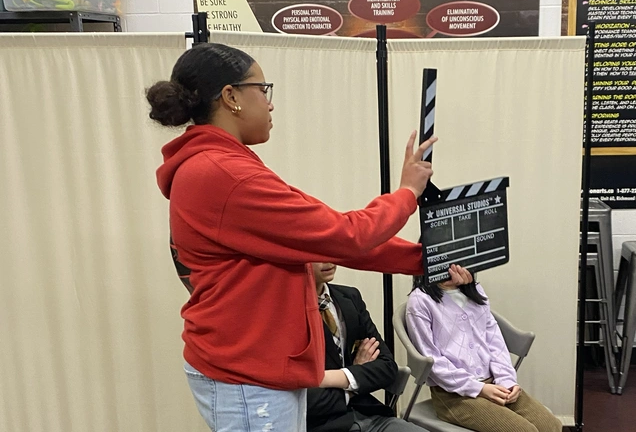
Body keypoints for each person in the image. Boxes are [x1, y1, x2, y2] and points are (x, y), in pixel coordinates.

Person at [146, 43, 440, 432]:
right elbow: (346, 235)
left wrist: (426, 260)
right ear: (231, 97)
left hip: (256, 366)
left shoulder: (228, 165)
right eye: (262, 89)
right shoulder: (224, 174)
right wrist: (406, 193)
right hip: (248, 373)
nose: (269, 104)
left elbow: (328, 240)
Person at [307, 262, 462, 432]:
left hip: (370, 416)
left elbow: (387, 367)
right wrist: (355, 380)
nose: (327, 261)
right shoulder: (282, 312)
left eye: (329, 251)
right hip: (319, 425)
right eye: (315, 256)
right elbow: (304, 399)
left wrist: (341, 376)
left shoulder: (349, 297)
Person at [404, 276, 562, 432]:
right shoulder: (420, 300)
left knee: (552, 426)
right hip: (453, 394)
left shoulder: (476, 291)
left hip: (494, 383)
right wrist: (479, 388)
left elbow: (495, 342)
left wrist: (507, 380)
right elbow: (432, 361)